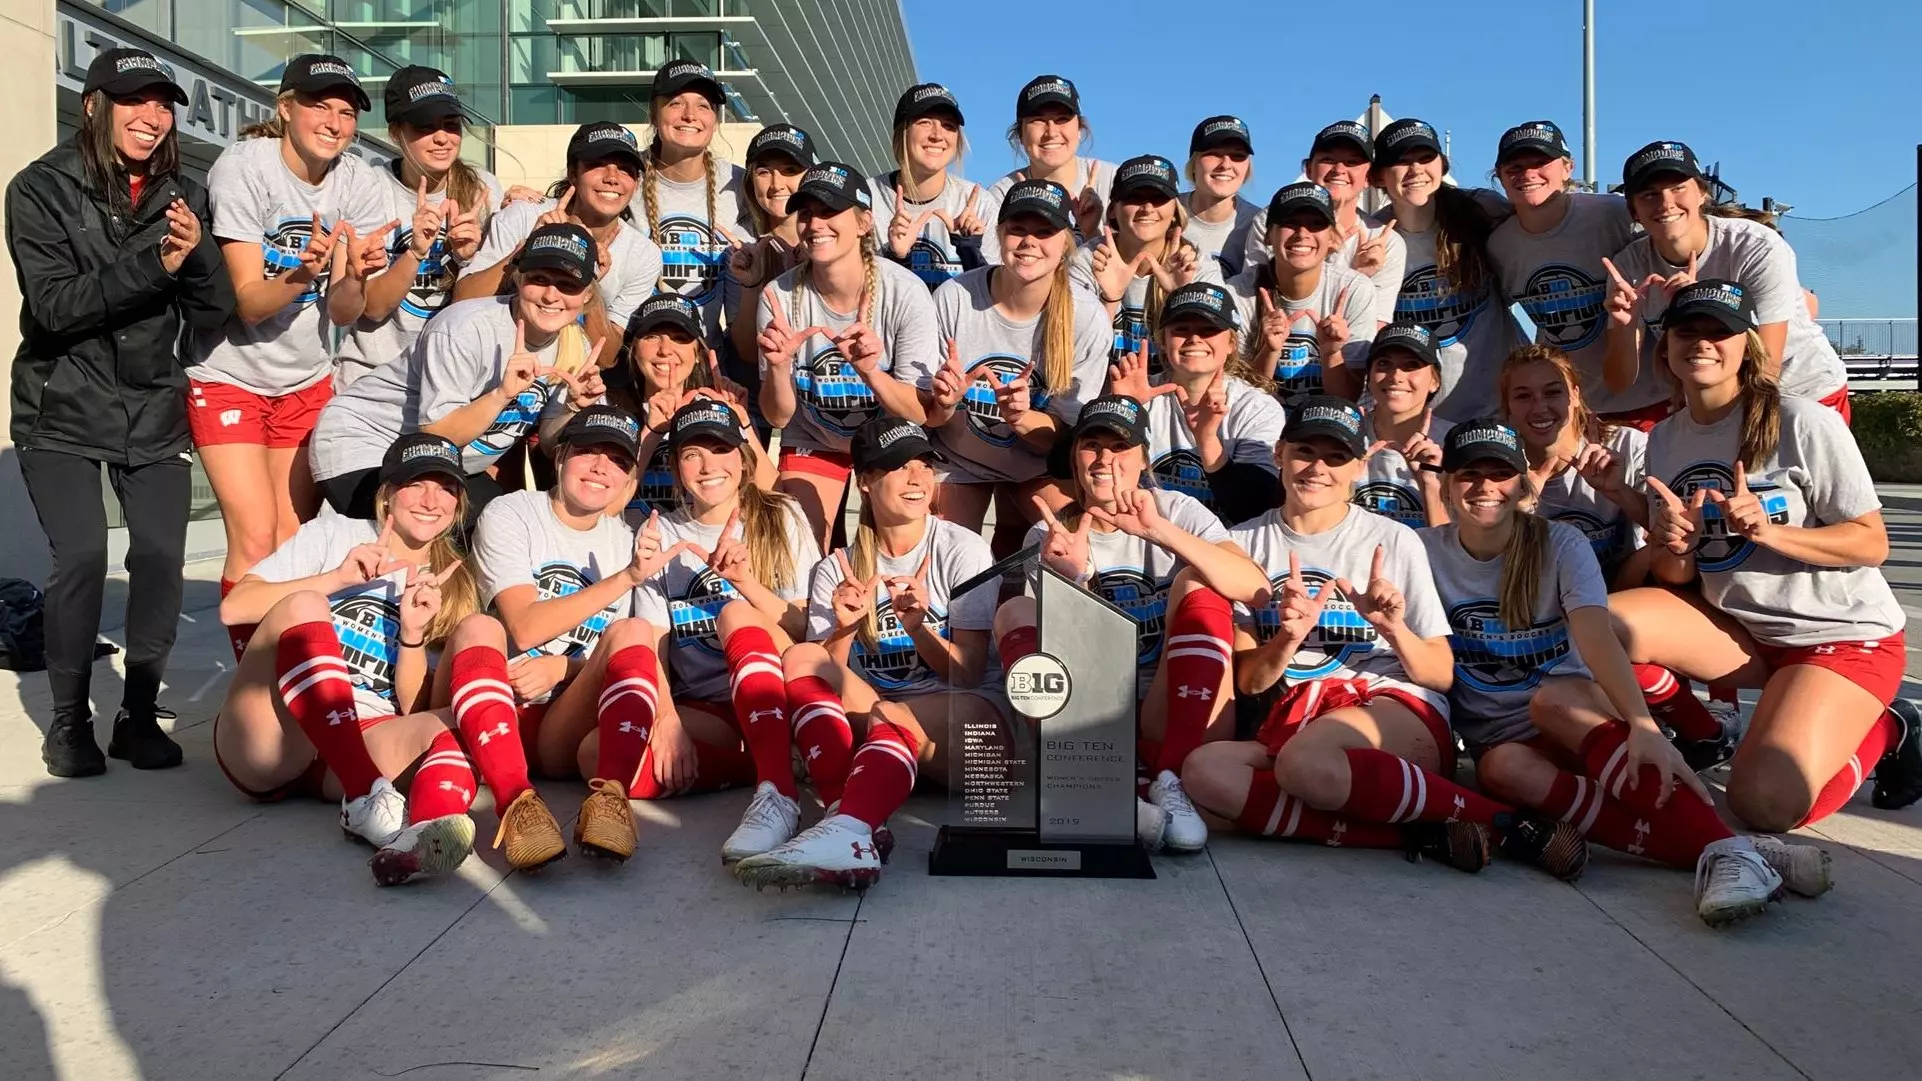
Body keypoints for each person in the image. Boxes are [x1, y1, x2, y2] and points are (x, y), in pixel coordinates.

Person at [1420, 419, 1832, 925]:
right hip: (1501, 737)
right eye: (1468, 474)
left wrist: (1642, 725)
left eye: (1500, 472)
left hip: (1576, 712)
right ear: (1446, 483)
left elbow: (1596, 635)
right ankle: (1740, 850)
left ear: (1523, 482)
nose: (1485, 487)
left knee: (1552, 700)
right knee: (1499, 769)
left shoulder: (1560, 543)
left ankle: (1724, 852)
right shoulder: (1422, 551)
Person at [1179, 400, 1585, 878]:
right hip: (1298, 720)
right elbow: (1249, 681)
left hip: (1393, 707)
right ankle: (1421, 832)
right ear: (1279, 453)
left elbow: (1438, 673)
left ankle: (1504, 825)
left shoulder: (1394, 539)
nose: (1317, 468)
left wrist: (1393, 629)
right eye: (1305, 451)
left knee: (1304, 763)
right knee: (1205, 773)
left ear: (1359, 467)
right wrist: (1286, 639)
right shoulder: (1242, 542)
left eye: (1335, 457)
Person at [1610, 282, 1922, 837]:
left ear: (1746, 346)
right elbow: (1680, 575)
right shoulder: (1665, 440)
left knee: (1763, 804)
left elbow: (1872, 543)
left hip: (1839, 635)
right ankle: (1703, 733)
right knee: (1602, 626)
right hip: (1745, 630)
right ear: (1666, 347)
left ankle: (1891, 726)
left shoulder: (1801, 421)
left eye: (1719, 332)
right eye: (1688, 331)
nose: (1702, 343)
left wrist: (1774, 535)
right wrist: (1673, 545)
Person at [8, 48, 235, 776]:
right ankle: (69, 722)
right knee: (80, 557)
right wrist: (157, 266)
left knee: (163, 558)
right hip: (61, 402)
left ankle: (138, 715)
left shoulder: (184, 193)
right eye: (135, 100)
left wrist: (198, 258)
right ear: (94, 105)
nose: (153, 115)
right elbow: (53, 307)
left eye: (163, 103)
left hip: (151, 404)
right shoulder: (38, 188)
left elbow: (215, 310)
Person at [730, 417, 999, 885]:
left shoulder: (962, 549)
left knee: (892, 714)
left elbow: (970, 672)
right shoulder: (835, 568)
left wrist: (919, 630)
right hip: (879, 730)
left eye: (924, 465)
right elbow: (818, 683)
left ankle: (852, 827)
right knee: (801, 658)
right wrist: (845, 629)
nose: (917, 478)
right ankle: (835, 811)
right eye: (898, 466)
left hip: (970, 738)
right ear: (866, 481)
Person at [214, 433, 483, 886]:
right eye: (416, 483)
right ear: (387, 494)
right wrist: (336, 578)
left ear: (458, 506)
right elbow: (234, 607)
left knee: (457, 724)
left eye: (446, 488)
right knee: (304, 606)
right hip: (276, 734)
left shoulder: (454, 583)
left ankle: (417, 839)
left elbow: (413, 709)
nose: (431, 499)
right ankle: (363, 795)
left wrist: (413, 635)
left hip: (362, 741)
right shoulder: (336, 533)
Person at [1003, 395, 1269, 852]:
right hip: (1100, 714)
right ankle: (1091, 777)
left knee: (1197, 584)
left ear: (1143, 457)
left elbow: (1255, 588)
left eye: (1120, 446)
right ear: (1075, 457)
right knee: (1016, 612)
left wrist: (1158, 533)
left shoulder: (1177, 509)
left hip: (1178, 702)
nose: (1105, 458)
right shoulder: (1051, 534)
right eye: (1092, 445)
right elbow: (1074, 664)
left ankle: (1170, 779)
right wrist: (1075, 582)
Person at [189, 54, 392, 622]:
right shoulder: (244, 168)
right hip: (229, 375)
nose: (334, 123)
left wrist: (351, 275)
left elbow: (345, 311)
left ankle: (281, 668)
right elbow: (250, 304)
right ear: (285, 110)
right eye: (319, 107)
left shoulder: (358, 181)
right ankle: (247, 678)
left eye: (347, 113)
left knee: (290, 539)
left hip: (304, 378)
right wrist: (303, 272)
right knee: (254, 538)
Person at [448, 405, 687, 868]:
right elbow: (525, 626)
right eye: (587, 452)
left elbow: (623, 653)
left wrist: (565, 667)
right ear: (559, 458)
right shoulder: (512, 511)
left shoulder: (625, 538)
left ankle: (610, 801)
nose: (601, 467)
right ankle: (516, 804)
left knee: (633, 629)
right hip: (497, 703)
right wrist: (626, 579)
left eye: (617, 460)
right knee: (480, 626)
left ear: (628, 481)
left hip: (561, 718)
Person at [310, 223, 608, 518]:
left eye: (568, 285)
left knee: (502, 527)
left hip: (439, 464)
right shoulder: (465, 327)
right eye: (539, 279)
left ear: (586, 295)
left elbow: (547, 441)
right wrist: (501, 394)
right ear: (519, 279)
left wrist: (572, 407)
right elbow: (437, 433)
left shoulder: (575, 346)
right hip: (367, 444)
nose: (551, 296)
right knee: (419, 538)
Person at [756, 162, 940, 547]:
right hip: (815, 435)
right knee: (801, 544)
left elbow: (919, 413)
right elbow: (778, 416)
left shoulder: (905, 291)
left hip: (891, 435)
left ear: (864, 223)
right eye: (806, 214)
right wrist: (778, 368)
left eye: (830, 212)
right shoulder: (779, 296)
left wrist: (872, 372)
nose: (816, 224)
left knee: (897, 547)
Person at [921, 179, 1111, 550]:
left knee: (1079, 546)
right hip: (959, 458)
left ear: (1066, 242)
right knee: (945, 553)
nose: (1029, 242)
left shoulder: (1085, 316)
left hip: (1037, 465)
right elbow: (927, 416)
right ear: (999, 233)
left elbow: (1065, 440)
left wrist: (1022, 419)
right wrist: (943, 403)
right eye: (1018, 229)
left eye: (1044, 232)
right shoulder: (955, 297)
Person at [1601, 140, 1850, 420]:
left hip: (1803, 393)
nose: (1665, 203)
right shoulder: (1628, 267)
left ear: (1702, 194)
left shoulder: (1755, 246)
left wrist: (1698, 304)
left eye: (1678, 188)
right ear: (1633, 210)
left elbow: (1766, 368)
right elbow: (1618, 383)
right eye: (1649, 194)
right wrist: (1625, 328)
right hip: (1716, 402)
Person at [1485, 120, 1666, 428]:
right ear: (1500, 176)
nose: (1528, 174)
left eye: (1541, 162)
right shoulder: (1500, 245)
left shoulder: (1613, 214)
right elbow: (1491, 318)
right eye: (1514, 167)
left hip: (1651, 401)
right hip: (1570, 412)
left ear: (1568, 168)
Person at [333, 65, 502, 388]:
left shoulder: (486, 189)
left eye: (451, 125)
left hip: (452, 377)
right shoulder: (370, 186)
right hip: (372, 374)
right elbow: (373, 309)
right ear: (396, 132)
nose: (442, 138)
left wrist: (468, 260)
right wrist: (415, 252)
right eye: (425, 127)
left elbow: (491, 306)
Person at [453, 121, 662, 351]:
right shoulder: (523, 216)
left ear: (637, 182)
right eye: (598, 165)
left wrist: (589, 283)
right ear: (573, 173)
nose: (612, 177)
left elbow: (607, 357)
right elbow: (462, 302)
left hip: (567, 377)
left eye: (625, 168)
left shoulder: (643, 254)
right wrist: (527, 250)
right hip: (496, 361)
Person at [1369, 118, 1523, 417]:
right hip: (1419, 421)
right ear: (1378, 176)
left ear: (1442, 164)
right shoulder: (1375, 237)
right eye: (1401, 161)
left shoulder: (1482, 209)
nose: (1415, 170)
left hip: (1498, 410)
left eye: (1425, 158)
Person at [1109, 282, 1283, 526]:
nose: (1194, 338)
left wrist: (1207, 440)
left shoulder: (1257, 407)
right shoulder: (1137, 393)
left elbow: (1256, 508)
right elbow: (1069, 469)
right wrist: (1120, 411)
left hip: (1226, 550)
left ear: (1232, 344)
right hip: (1145, 540)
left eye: (1208, 330)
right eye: (1181, 329)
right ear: (1162, 340)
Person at [1499, 344, 1650, 588]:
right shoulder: (1498, 469)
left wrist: (1619, 492)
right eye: (1523, 396)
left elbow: (1668, 531)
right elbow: (1487, 569)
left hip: (1624, 596)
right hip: (1541, 601)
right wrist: (1519, 512)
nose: (1539, 408)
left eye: (1552, 392)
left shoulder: (1625, 445)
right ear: (1508, 408)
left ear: (1575, 396)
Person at [634, 58, 755, 343]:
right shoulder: (626, 174)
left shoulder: (738, 185)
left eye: (703, 105)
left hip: (712, 358)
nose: (690, 115)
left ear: (715, 120)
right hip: (636, 356)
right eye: (676, 103)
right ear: (654, 113)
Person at [624, 293, 774, 518]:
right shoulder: (614, 408)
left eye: (679, 338)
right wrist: (653, 431)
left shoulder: (720, 410)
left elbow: (771, 495)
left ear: (697, 354)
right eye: (652, 336)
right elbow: (607, 502)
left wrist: (742, 423)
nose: (665, 349)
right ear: (634, 349)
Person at [1224, 182, 1374, 402]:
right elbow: (1240, 401)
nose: (1302, 233)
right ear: (1267, 236)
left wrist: (1332, 354)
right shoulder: (1238, 292)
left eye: (1316, 224)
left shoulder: (1354, 289)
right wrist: (1269, 351)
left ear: (1332, 237)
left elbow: (1348, 399)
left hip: (1327, 428)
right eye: (1290, 223)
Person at [1244, 121, 1404, 325]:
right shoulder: (1272, 220)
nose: (1339, 169)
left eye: (1352, 162)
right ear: (1309, 169)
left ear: (1368, 178)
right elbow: (1252, 299)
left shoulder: (1386, 241)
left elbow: (1375, 329)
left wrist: (1359, 279)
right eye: (1328, 160)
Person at [1077, 154, 1218, 368]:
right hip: (1102, 397)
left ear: (1174, 211)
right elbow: (1073, 354)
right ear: (1113, 210)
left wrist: (1178, 297)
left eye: (1159, 198)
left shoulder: (1196, 266)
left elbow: (1212, 360)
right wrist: (1110, 300)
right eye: (1135, 197)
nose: (1148, 208)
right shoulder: (1088, 260)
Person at [722, 122, 814, 412]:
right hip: (762, 401)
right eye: (764, 172)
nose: (776, 184)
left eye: (789, 170)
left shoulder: (833, 237)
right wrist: (752, 284)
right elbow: (748, 353)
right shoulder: (742, 250)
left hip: (828, 397)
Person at [977, 75, 1117, 263]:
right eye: (1038, 120)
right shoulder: (999, 197)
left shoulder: (1116, 183)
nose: (1051, 132)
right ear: (1020, 134)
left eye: (1062, 119)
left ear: (1079, 129)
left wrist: (1090, 233)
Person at [869, 83, 985, 291]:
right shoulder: (868, 198)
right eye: (925, 122)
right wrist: (894, 256)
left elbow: (995, 300)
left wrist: (970, 251)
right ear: (902, 132)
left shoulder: (979, 203)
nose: (937, 135)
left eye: (949, 125)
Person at [1353, 323, 1453, 529]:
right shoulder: (1345, 434)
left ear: (1435, 381)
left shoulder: (1456, 442)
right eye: (1383, 364)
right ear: (1369, 378)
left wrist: (1429, 484)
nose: (1396, 376)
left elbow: (1457, 545)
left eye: (1411, 365)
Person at [1179, 116, 1261, 278]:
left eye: (1237, 156)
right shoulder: (1164, 212)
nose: (1225, 164)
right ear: (1194, 163)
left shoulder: (1259, 225)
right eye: (1213, 154)